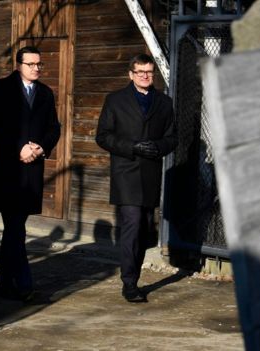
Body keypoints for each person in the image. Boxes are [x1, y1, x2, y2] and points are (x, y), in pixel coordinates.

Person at [96, 54, 178, 302]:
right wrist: (132, 146)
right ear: (130, 74)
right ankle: (129, 283)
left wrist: (159, 147)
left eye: (149, 72)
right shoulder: (115, 100)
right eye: (140, 71)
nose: (145, 76)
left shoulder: (164, 102)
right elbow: (103, 136)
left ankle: (134, 278)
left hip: (150, 173)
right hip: (126, 173)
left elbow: (172, 137)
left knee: (143, 229)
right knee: (131, 224)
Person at [0, 46, 61, 302]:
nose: (36, 68)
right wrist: (19, 148)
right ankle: (23, 284)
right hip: (8, 170)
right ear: (18, 65)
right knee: (15, 227)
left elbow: (53, 128)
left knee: (15, 228)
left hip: (31, 171)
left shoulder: (46, 93)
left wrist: (40, 147)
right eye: (31, 64)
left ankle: (5, 286)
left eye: (39, 64)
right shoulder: (0, 88)